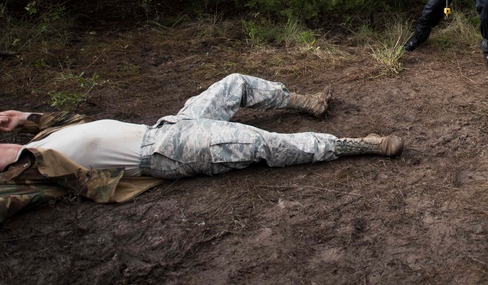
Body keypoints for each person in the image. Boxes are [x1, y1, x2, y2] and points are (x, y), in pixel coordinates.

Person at [1, 74, 404, 222]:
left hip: (168, 125)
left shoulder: (38, 141)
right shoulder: (27, 173)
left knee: (234, 83)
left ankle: (306, 103)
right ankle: (358, 146)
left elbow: (68, 123)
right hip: (167, 152)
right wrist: (15, 159)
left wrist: (23, 119)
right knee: (266, 144)